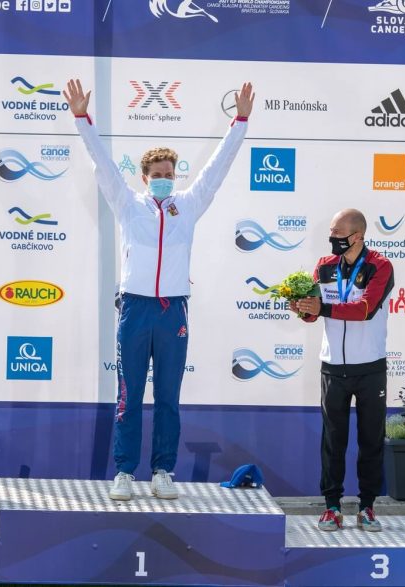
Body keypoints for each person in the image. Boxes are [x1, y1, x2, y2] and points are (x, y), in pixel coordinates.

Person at [63, 78, 254, 501]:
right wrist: (81, 118)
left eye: (170, 175)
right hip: (135, 308)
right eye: (158, 176)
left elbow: (218, 168)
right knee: (129, 395)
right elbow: (102, 164)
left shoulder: (189, 204)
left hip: (173, 311)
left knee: (168, 397)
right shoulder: (128, 204)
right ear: (144, 177)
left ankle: (163, 470)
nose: (164, 180)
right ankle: (124, 472)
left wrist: (239, 121)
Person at [292, 208, 394, 532]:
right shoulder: (324, 266)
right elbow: (313, 315)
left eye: (338, 234)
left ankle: (367, 507)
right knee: (333, 442)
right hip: (333, 367)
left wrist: (321, 308)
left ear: (357, 236)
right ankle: (332, 507)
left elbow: (365, 310)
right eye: (331, 233)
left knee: (370, 440)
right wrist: (303, 308)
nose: (332, 238)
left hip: (370, 368)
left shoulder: (380, 266)